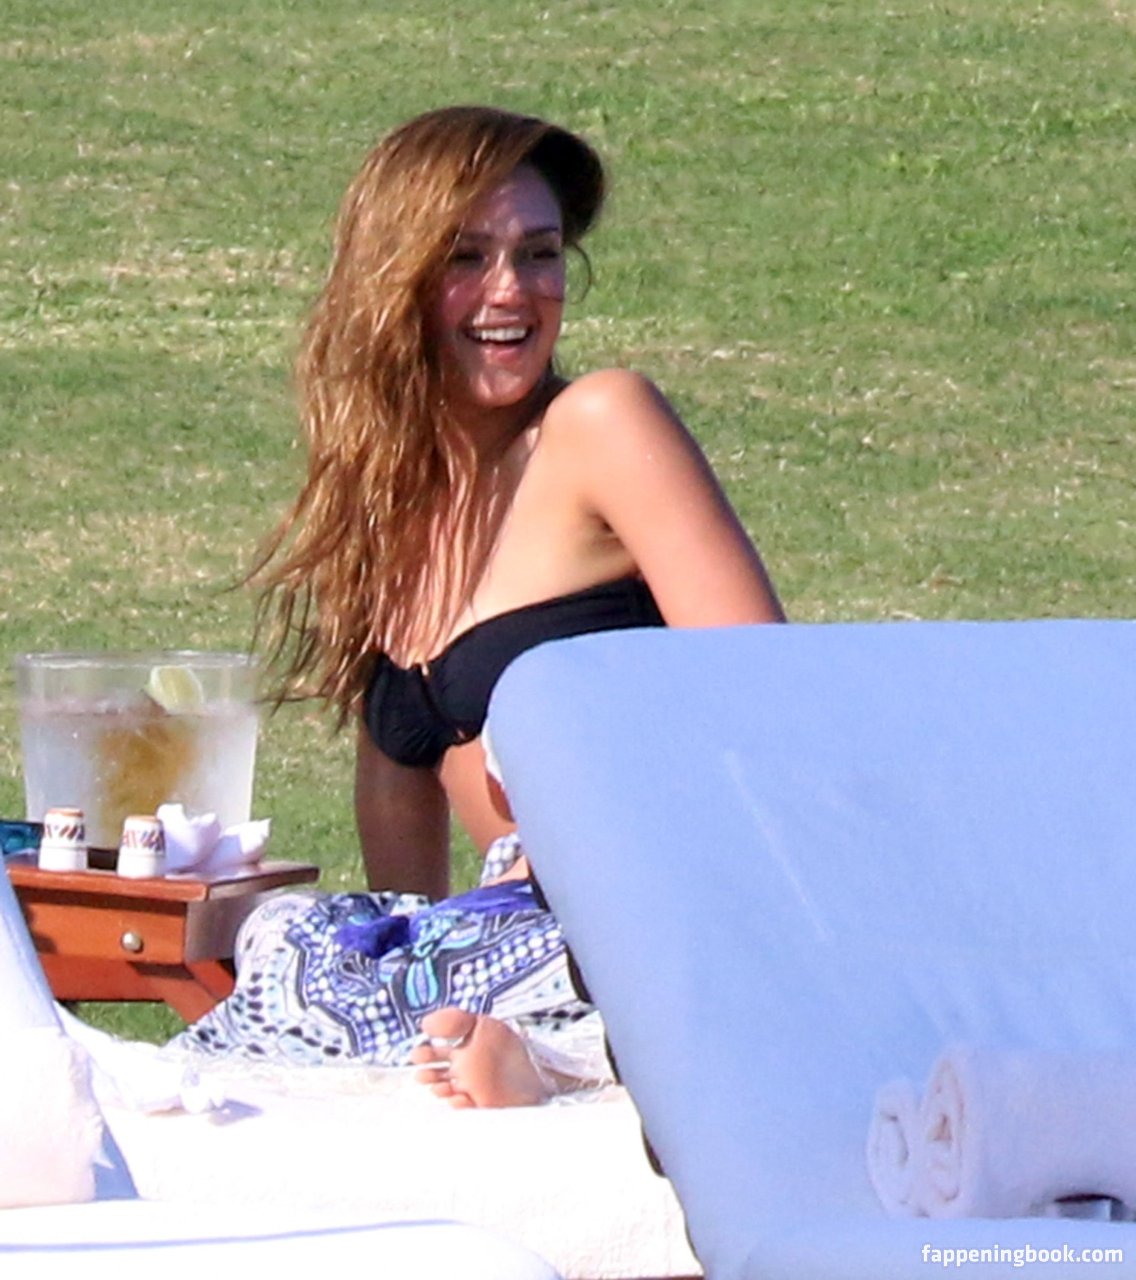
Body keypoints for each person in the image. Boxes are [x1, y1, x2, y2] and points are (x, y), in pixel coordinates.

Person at [171, 105, 784, 1105]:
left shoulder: (599, 424)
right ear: (394, 280)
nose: (512, 291)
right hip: (495, 940)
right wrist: (411, 983)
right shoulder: (383, 496)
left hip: (653, 912)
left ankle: (568, 1060)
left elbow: (770, 703)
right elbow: (398, 819)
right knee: (294, 941)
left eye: (538, 254)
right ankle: (488, 1040)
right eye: (467, 256)